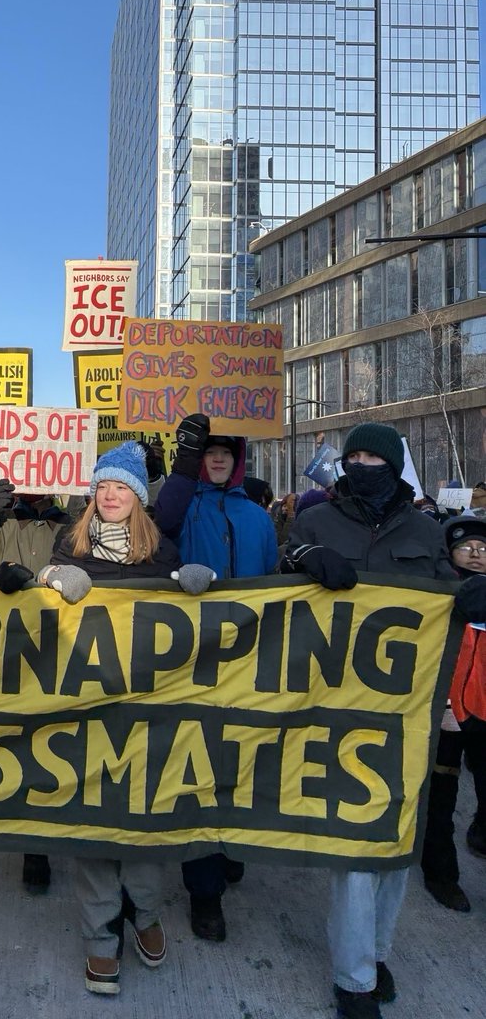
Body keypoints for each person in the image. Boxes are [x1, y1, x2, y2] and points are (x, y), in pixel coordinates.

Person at [283, 422, 466, 1019]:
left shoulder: (425, 530)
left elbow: (445, 609)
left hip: (405, 710)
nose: (361, 464)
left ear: (394, 464)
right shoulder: (315, 520)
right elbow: (274, 590)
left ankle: (375, 950)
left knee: (394, 840)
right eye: (353, 454)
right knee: (358, 847)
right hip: (331, 707)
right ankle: (355, 977)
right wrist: (305, 559)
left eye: (373, 456)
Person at [0, 441, 185, 997]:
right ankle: (101, 935)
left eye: (122, 487)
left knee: (144, 825)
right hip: (82, 710)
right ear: (92, 492)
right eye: (104, 485)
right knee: (95, 827)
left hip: (145, 710)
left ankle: (145, 913)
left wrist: (193, 586)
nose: (111, 495)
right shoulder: (68, 542)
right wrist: (51, 577)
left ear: (138, 497)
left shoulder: (162, 550)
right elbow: (40, 607)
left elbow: (186, 624)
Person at [153, 414, 278, 941]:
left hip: (247, 658)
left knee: (241, 759)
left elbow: (276, 584)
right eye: (210, 452)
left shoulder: (258, 518)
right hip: (192, 658)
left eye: (226, 451)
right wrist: (184, 459)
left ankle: (230, 845)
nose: (218, 458)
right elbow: (162, 519)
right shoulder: (184, 508)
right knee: (198, 764)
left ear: (239, 458)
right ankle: (204, 893)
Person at [0, 478, 69, 892]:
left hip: (55, 643)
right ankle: (21, 835)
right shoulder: (3, 520)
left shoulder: (69, 522)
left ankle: (38, 841)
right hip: (6, 643)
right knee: (10, 736)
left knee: (46, 742)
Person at [420, 512, 486, 910]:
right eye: (466, 547)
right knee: (440, 799)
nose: (476, 554)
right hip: (446, 714)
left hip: (483, 716)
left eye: (483, 548)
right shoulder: (437, 595)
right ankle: (441, 875)